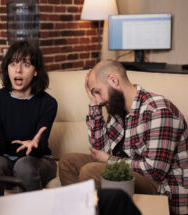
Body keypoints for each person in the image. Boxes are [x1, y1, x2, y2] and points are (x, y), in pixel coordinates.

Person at [59, 59, 188, 215]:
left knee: (91, 170)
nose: (99, 100)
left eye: (98, 91)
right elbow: (99, 149)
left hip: (161, 186)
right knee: (68, 162)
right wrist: (94, 104)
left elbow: (154, 171)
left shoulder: (158, 111)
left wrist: (109, 160)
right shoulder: (117, 108)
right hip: (128, 174)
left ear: (114, 80)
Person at [0, 41, 57, 198]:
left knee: (24, 165)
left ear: (35, 71)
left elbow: (40, 147)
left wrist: (33, 146)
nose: (18, 70)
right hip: (7, 161)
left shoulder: (48, 103)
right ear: (7, 68)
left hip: (39, 161)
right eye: (13, 63)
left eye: (26, 64)